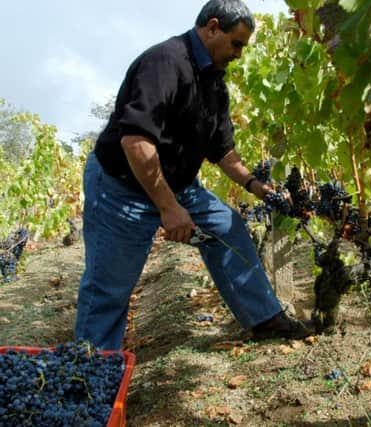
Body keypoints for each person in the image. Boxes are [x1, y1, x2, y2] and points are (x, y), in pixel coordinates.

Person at [74, 0, 313, 350]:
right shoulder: (164, 62)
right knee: (110, 284)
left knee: (225, 230)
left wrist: (258, 187)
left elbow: (223, 152)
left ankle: (263, 319)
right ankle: (92, 372)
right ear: (212, 27)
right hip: (121, 189)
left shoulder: (215, 85)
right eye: (237, 44)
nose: (239, 55)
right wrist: (168, 208)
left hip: (179, 186)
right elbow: (136, 141)